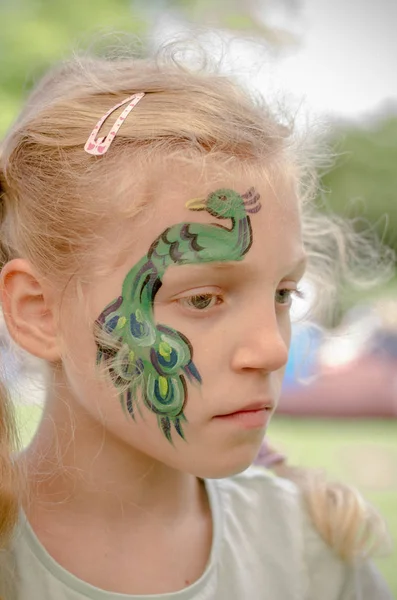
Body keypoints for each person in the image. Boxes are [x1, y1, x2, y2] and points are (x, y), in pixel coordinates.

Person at [0, 42, 393, 599]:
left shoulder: (311, 555)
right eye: (204, 299)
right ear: (39, 312)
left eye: (284, 293)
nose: (273, 348)